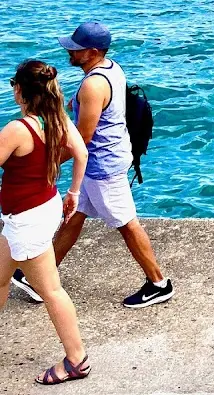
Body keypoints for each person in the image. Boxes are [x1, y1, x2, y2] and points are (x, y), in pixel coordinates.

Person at [14, 21, 173, 309]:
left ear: (92, 51)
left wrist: (47, 163)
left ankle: (159, 283)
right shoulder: (111, 68)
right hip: (106, 159)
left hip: (103, 167)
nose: (69, 51)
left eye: (75, 48)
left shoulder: (93, 84)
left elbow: (82, 138)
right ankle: (38, 278)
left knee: (126, 224)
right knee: (75, 216)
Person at [1, 59, 91, 385]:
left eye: (13, 84)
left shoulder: (17, 129)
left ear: (20, 90)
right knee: (0, 278)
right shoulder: (58, 121)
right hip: (42, 209)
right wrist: (74, 193)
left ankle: (77, 359)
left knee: (51, 290)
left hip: (27, 220)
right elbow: (81, 153)